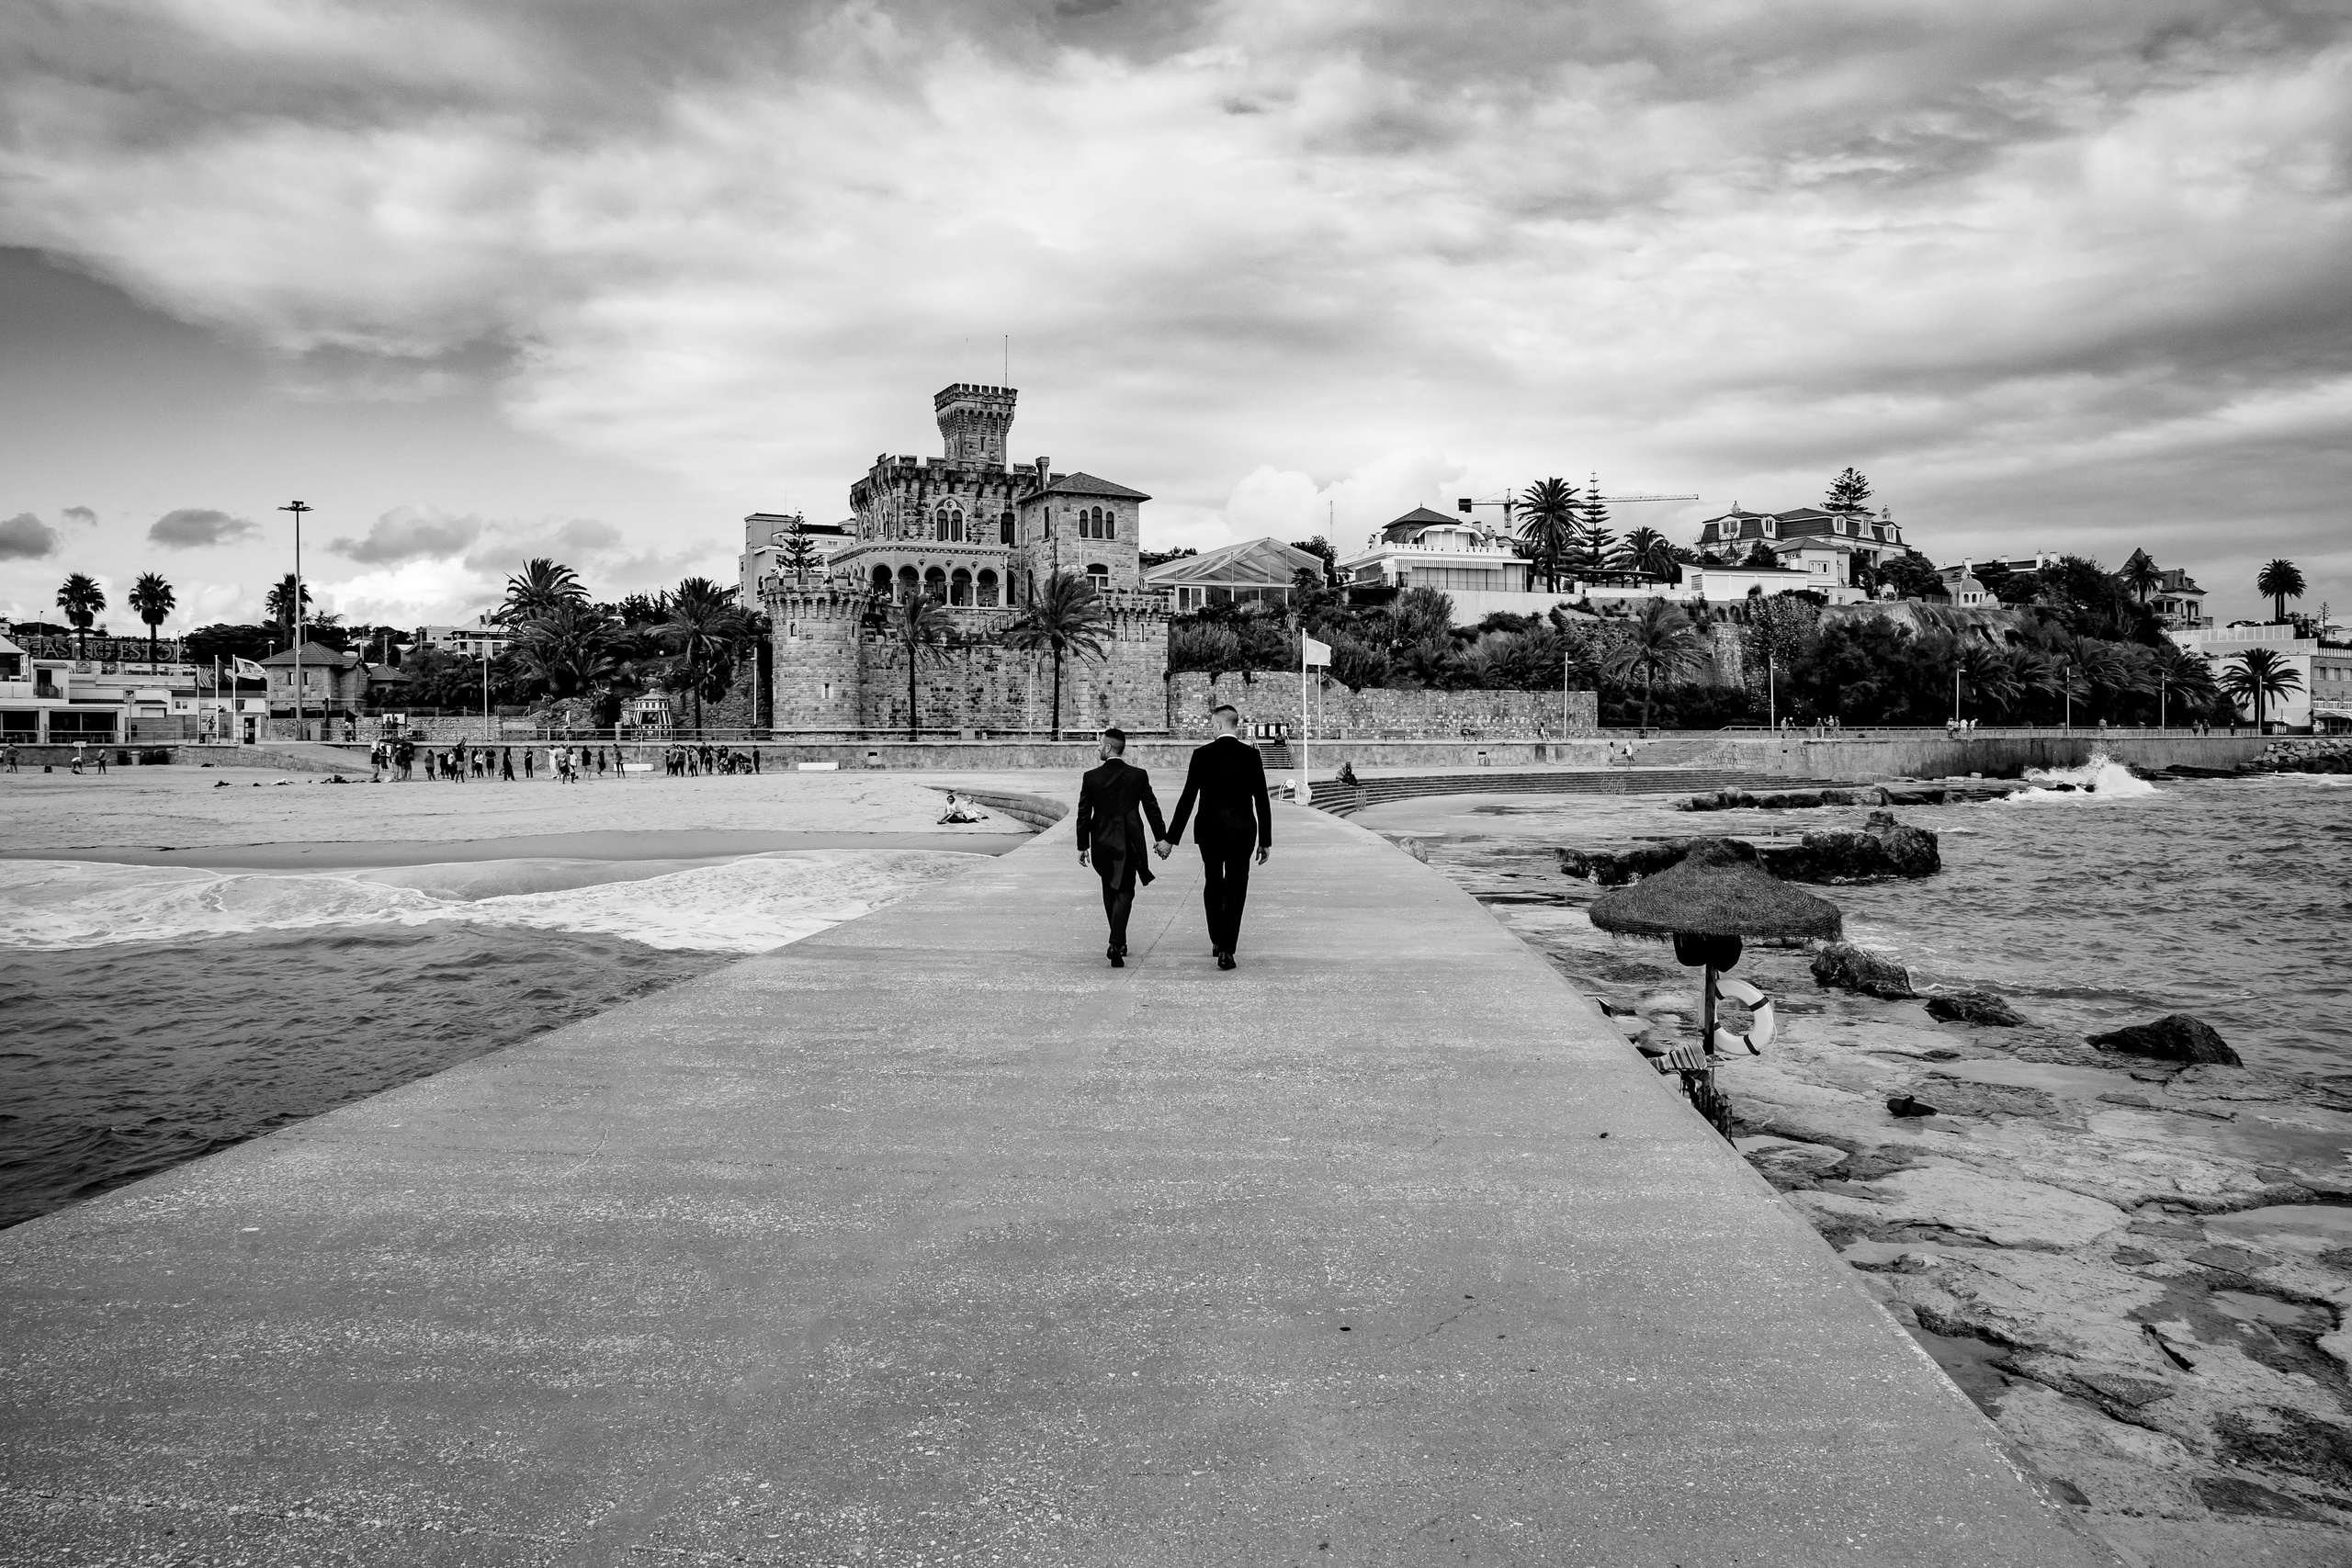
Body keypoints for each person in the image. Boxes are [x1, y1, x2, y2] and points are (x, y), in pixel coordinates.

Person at [1163, 704, 1272, 970]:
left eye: (1212, 725)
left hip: (1210, 831)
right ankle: (1227, 950)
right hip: (1242, 831)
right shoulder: (1251, 755)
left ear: (1221, 725)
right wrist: (1265, 840)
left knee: (1213, 882)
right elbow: (1262, 799)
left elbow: (1188, 798)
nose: (1211, 729)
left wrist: (1170, 838)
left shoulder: (1202, 755)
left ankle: (1216, 939)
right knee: (1236, 888)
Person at [1076, 728, 1166, 967]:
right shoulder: (1137, 775)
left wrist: (1082, 845)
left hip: (1101, 841)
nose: (1097, 748)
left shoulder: (1091, 777)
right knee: (1125, 890)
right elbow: (1151, 808)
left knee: (1109, 889)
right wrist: (1162, 838)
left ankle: (1119, 942)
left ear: (1108, 748)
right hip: (1129, 840)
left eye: (1099, 744)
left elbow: (1083, 814)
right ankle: (1116, 942)